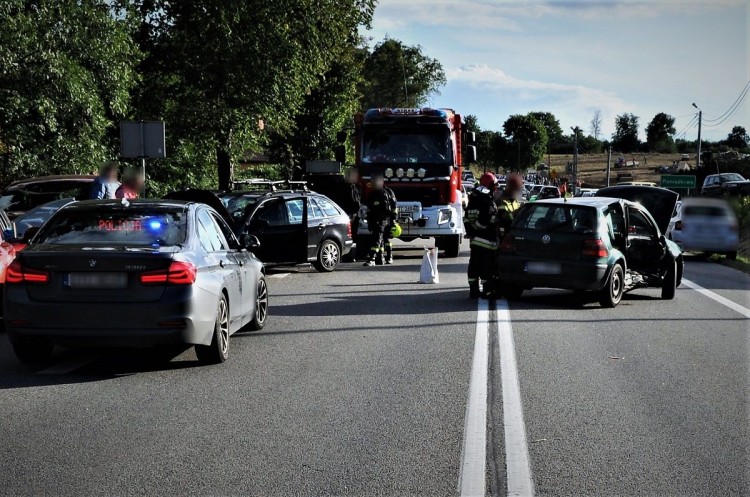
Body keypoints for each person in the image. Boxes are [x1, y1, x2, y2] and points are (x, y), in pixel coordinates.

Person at [465, 172, 500, 299]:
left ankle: (473, 291)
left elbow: (466, 218)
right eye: (494, 186)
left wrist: (471, 231)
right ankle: (488, 292)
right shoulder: (487, 200)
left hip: (475, 241)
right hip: (486, 240)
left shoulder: (474, 198)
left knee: (474, 266)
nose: (496, 189)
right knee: (487, 267)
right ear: (490, 185)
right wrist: (478, 230)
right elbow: (486, 218)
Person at [363, 175, 397, 267]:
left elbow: (393, 208)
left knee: (378, 239)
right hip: (375, 220)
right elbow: (369, 207)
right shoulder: (372, 194)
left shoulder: (387, 192)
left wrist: (393, 220)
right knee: (382, 239)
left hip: (384, 220)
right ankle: (380, 258)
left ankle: (372, 259)